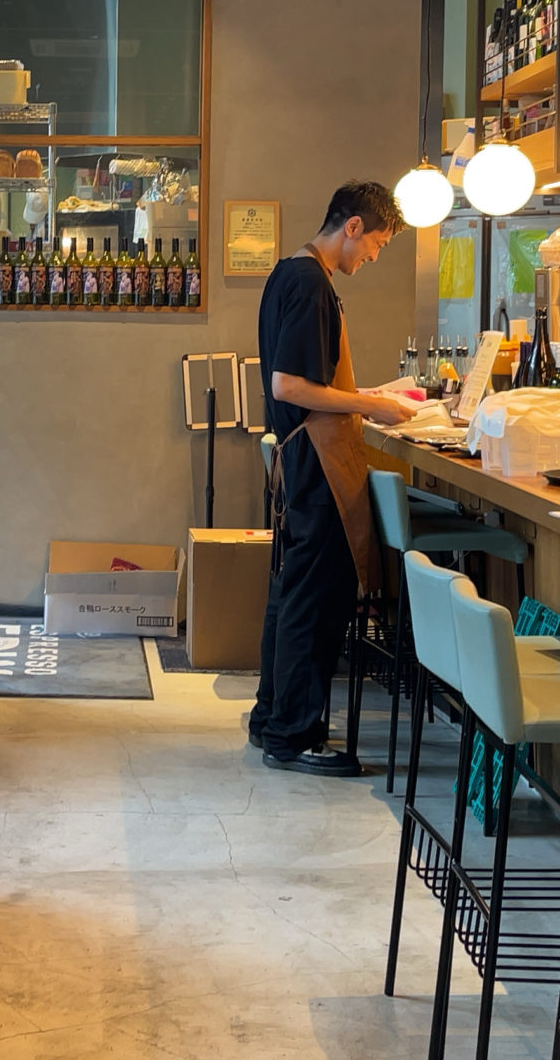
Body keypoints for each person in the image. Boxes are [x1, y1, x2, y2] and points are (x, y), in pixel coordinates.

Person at [250, 181, 422, 777]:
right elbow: (288, 385)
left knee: (293, 593)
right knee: (316, 598)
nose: (373, 256)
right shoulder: (310, 283)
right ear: (352, 227)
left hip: (301, 456)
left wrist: (362, 394)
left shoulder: (290, 273)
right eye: (376, 243)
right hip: (316, 459)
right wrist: (370, 406)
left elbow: (304, 379)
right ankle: (293, 736)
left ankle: (272, 719)